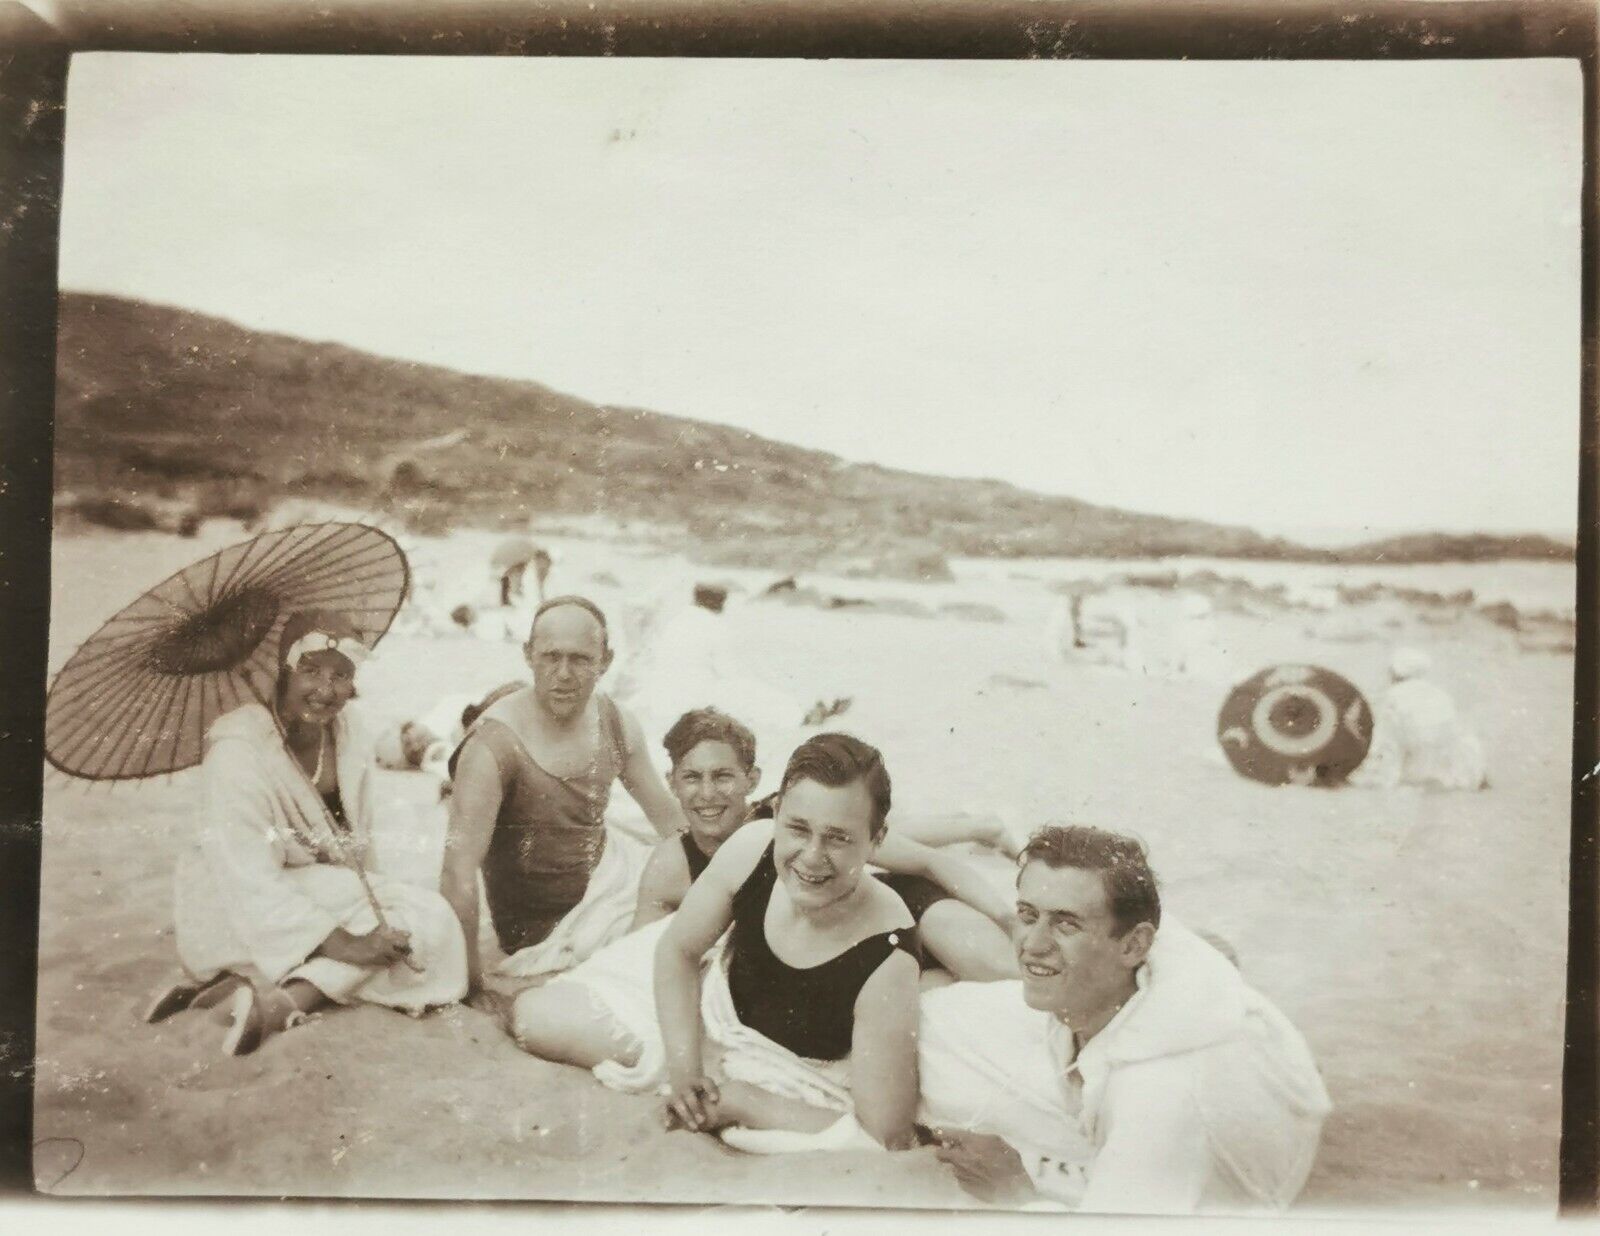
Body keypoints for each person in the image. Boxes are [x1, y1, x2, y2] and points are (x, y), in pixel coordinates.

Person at [500, 709, 1018, 1086]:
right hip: (838, 954)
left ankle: (978, 825)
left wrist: (1006, 917)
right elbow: (649, 952)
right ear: (674, 785)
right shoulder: (673, 865)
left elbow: (920, 858)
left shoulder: (786, 822)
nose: (709, 794)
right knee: (938, 996)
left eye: (724, 777)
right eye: (693, 779)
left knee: (995, 966)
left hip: (891, 899)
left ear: (751, 781)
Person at [916, 824, 1331, 1214]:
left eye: (1066, 924)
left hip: (1216, 1175)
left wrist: (1016, 1192)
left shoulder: (1163, 1094)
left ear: (1135, 945)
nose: (1032, 944)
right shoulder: (1151, 960)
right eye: (1027, 915)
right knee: (930, 1015)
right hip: (1142, 1082)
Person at [155, 610, 468, 1055]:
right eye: (310, 671)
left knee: (420, 920)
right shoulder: (238, 754)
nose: (325, 690)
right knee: (424, 924)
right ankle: (284, 1002)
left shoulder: (351, 730)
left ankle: (244, 995)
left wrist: (376, 907)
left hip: (312, 893)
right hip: (233, 907)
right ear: (284, 670)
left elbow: (361, 841)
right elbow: (249, 881)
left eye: (341, 675)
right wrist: (351, 945)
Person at [653, 732, 924, 1151]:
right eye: (798, 828)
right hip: (721, 1011)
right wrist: (685, 1069)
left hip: (803, 1068)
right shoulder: (752, 847)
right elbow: (678, 951)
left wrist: (745, 1101)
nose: (812, 856)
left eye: (838, 837)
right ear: (776, 813)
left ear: (876, 840)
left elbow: (885, 1132)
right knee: (543, 1019)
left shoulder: (887, 956)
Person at [439, 596, 693, 994]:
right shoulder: (493, 745)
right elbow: (457, 870)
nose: (564, 674)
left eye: (580, 659)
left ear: (605, 660)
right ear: (528, 655)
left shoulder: (614, 720)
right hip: (542, 930)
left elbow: (670, 821)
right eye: (550, 657)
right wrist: (471, 983)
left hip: (613, 879)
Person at [1348, 647, 1488, 791]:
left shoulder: (1391, 696)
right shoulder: (1440, 694)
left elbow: (1383, 741)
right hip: (1448, 766)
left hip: (1413, 765)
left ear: (1395, 672)